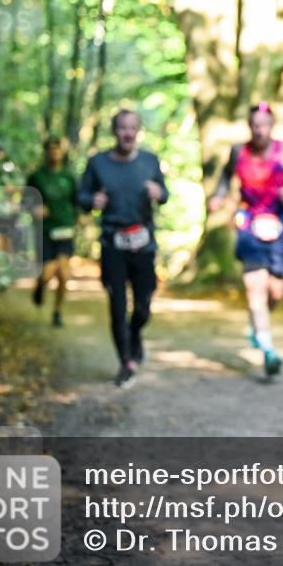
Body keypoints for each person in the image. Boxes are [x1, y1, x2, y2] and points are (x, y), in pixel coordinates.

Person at [207, 102, 283, 377]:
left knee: (275, 291)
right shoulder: (238, 151)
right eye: (254, 125)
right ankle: (268, 348)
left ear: (272, 126)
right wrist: (219, 197)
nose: (259, 130)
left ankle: (258, 322)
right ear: (249, 127)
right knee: (255, 287)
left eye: (264, 125)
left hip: (278, 225)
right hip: (247, 222)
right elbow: (225, 178)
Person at [78, 110, 169, 388]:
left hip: (143, 243)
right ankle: (126, 362)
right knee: (117, 307)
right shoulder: (98, 163)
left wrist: (159, 193)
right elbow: (81, 196)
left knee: (143, 306)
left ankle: (135, 333)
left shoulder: (149, 161)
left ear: (138, 131)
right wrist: (91, 199)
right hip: (112, 243)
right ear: (114, 131)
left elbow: (165, 194)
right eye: (122, 128)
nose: (127, 133)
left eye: (132, 128)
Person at [27, 137, 77, 327]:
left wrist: (78, 215)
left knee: (64, 274)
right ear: (46, 152)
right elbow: (26, 200)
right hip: (44, 231)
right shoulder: (37, 176)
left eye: (58, 149)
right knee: (47, 273)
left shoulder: (69, 177)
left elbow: (76, 200)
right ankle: (41, 285)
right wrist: (35, 209)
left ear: (62, 152)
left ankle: (57, 312)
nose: (55, 153)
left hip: (65, 229)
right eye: (51, 149)